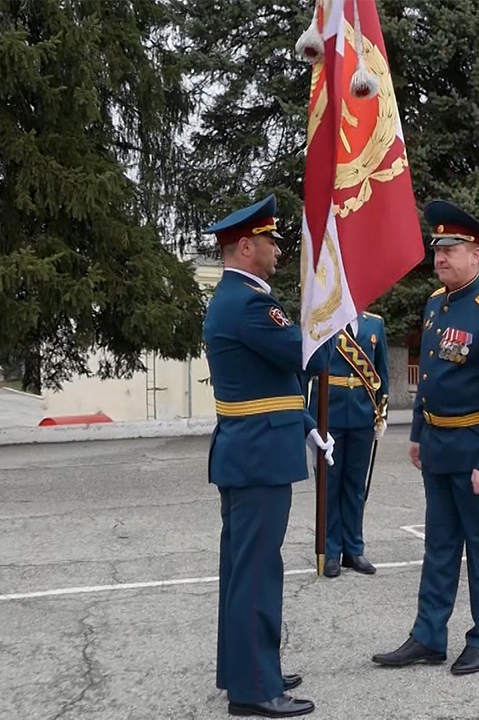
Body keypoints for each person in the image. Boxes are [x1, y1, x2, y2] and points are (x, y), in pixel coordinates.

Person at [371, 199, 479, 676]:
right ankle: (428, 636)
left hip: (476, 450)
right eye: (437, 249)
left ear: (475, 255)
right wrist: (418, 432)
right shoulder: (436, 303)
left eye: (450, 250)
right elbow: (431, 376)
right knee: (438, 545)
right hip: (438, 447)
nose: (439, 258)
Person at [202, 194, 335, 718]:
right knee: (257, 571)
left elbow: (272, 383)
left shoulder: (237, 299)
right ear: (245, 247)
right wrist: (329, 315)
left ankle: (244, 669)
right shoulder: (251, 304)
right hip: (258, 455)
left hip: (249, 449)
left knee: (243, 568)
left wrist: (306, 426)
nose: (278, 250)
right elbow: (311, 358)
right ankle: (255, 688)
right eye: (270, 242)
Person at [308, 310, 389, 578]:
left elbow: (381, 373)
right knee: (329, 484)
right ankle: (331, 551)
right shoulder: (323, 319)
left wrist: (381, 414)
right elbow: (308, 369)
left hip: (363, 414)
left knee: (356, 485)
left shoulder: (374, 323)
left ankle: (353, 549)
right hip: (328, 413)